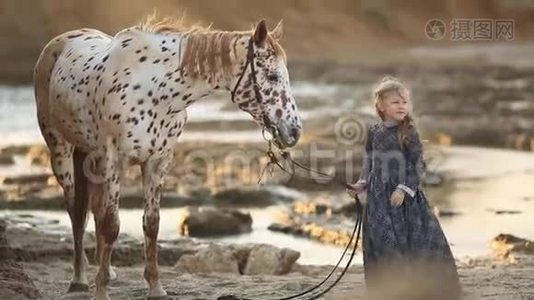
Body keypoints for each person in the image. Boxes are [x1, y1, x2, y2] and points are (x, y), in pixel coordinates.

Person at [346, 76, 460, 300]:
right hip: (379, 200)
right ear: (381, 106)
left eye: (405, 102)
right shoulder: (374, 131)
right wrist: (361, 184)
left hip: (405, 201)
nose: (402, 106)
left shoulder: (408, 131)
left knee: (411, 244)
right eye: (396, 102)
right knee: (382, 242)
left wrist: (403, 189)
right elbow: (370, 161)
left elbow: (418, 165)